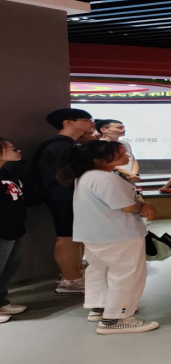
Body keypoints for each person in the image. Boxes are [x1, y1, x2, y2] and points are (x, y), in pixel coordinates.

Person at [61, 140, 159, 335]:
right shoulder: (106, 178)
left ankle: (100, 307)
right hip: (118, 234)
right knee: (126, 274)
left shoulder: (86, 176)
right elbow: (127, 206)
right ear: (100, 160)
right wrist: (144, 206)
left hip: (95, 233)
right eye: (121, 153)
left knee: (99, 270)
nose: (127, 156)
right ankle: (116, 318)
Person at [40, 108, 95, 295]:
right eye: (87, 119)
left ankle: (75, 275)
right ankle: (71, 280)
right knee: (67, 237)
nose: (92, 122)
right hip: (63, 197)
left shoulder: (67, 144)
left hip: (68, 195)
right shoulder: (60, 146)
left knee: (75, 236)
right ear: (68, 122)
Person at [0, 138, 28, 324]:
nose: (17, 151)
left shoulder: (7, 172)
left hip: (14, 227)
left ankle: (2, 301)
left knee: (9, 266)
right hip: (2, 229)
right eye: (11, 148)